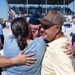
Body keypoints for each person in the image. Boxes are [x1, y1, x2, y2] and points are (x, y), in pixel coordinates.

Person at [37, 10, 75, 75]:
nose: (42, 29)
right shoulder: (52, 41)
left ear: (57, 28)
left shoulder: (60, 51)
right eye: (42, 25)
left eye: (46, 26)